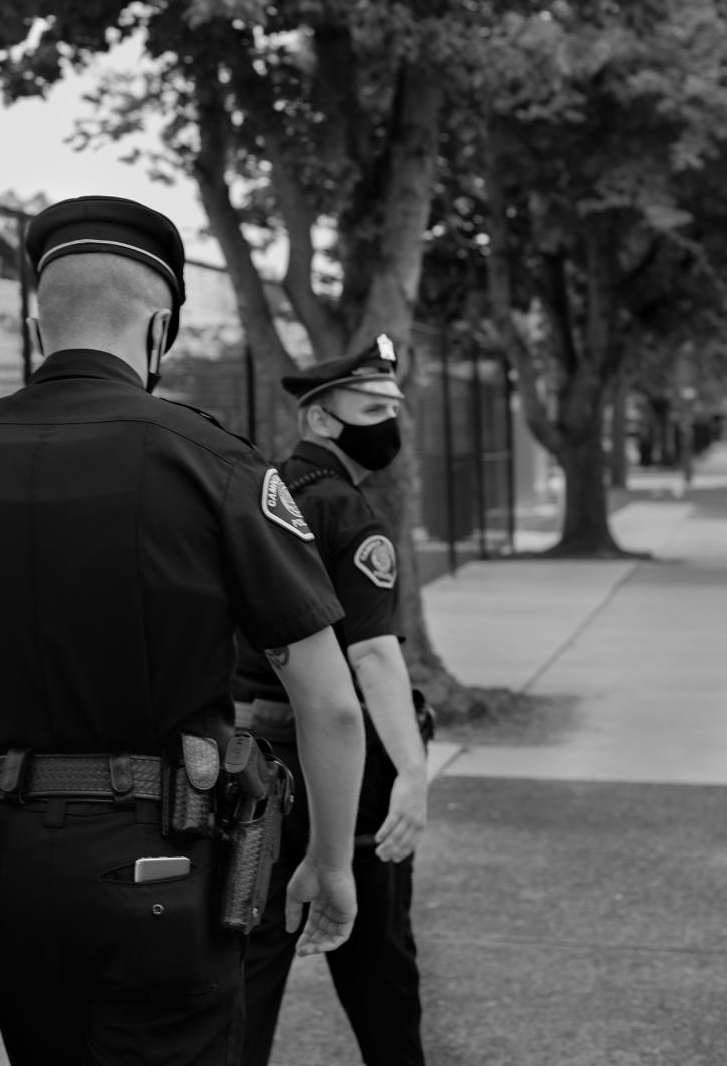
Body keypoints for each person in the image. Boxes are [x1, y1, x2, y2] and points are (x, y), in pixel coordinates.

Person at [0, 195, 366, 1065]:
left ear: (41, 326)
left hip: (4, 868)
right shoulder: (214, 464)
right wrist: (332, 863)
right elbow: (330, 704)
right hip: (168, 862)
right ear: (160, 331)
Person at [234, 335, 430, 1066]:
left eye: (394, 408)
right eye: (372, 408)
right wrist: (411, 770)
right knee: (379, 966)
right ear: (320, 419)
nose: (389, 423)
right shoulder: (346, 513)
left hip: (249, 765)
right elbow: (372, 656)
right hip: (346, 773)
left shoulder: (256, 497)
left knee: (249, 965)